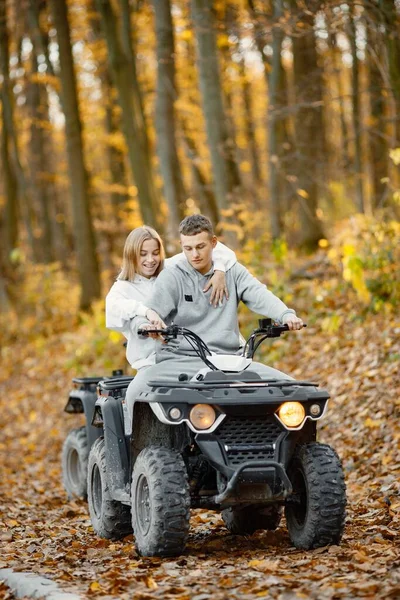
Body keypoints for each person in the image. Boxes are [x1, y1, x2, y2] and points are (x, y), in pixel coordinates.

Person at [125, 214, 303, 416]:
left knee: (293, 390)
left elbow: (260, 295)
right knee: (137, 388)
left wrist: (286, 315)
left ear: (213, 243)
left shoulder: (232, 272)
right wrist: (144, 325)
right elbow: (149, 311)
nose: (194, 255)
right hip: (181, 362)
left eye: (200, 247)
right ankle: (130, 443)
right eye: (188, 249)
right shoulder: (173, 275)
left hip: (232, 362)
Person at [105, 225, 237, 371]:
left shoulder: (171, 269)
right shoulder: (123, 287)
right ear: (131, 254)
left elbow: (222, 251)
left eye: (155, 253)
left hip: (183, 357)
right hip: (149, 363)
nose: (150, 260)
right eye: (143, 254)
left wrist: (219, 271)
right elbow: (114, 309)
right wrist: (146, 312)